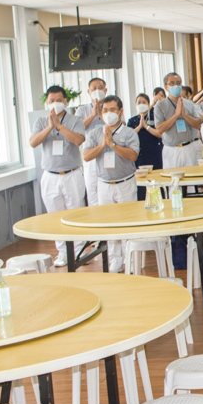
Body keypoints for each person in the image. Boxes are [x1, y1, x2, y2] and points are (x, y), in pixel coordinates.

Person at [29, 86, 86, 267]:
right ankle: (62, 252)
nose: (55, 103)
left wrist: (59, 126)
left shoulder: (75, 120)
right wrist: (50, 126)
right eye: (52, 100)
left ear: (65, 102)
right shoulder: (40, 121)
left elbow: (78, 140)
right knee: (55, 216)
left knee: (75, 213)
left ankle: (78, 252)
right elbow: (33, 142)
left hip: (71, 173)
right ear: (47, 102)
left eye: (59, 100)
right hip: (50, 176)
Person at [83, 96, 140, 273]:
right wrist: (103, 144)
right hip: (104, 185)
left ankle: (130, 258)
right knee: (110, 223)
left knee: (127, 222)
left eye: (112, 110)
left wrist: (113, 144)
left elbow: (133, 156)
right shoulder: (94, 133)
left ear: (121, 111)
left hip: (125, 183)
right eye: (105, 110)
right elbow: (86, 156)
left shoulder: (129, 133)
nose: (109, 113)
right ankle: (116, 260)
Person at [154, 72, 203, 271]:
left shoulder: (189, 103)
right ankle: (178, 242)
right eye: (172, 83)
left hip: (190, 147)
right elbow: (159, 129)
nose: (175, 86)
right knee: (174, 193)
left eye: (178, 83)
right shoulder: (160, 106)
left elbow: (198, 123)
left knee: (192, 191)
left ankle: (195, 235)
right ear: (166, 86)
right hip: (173, 151)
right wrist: (175, 116)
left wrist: (184, 115)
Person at [74, 77, 106, 206]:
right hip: (91, 156)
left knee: (107, 195)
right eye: (94, 88)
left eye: (100, 88)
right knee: (92, 194)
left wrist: (102, 115)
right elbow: (77, 128)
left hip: (108, 155)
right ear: (89, 91)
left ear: (106, 90)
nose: (97, 90)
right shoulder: (82, 110)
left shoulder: (112, 106)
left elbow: (122, 125)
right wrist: (93, 114)